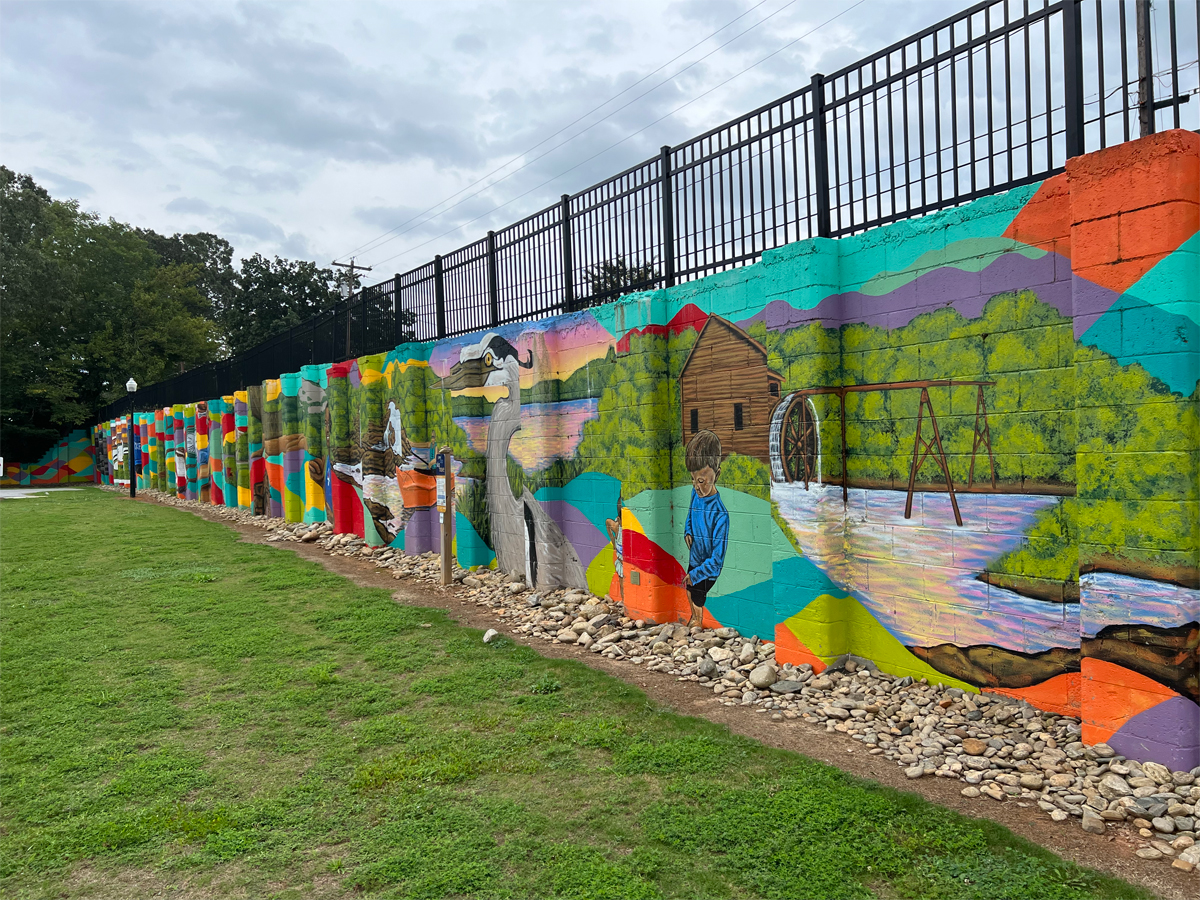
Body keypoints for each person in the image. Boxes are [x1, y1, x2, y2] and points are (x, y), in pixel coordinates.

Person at [683, 430, 729, 628]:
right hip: (695, 558)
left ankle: (698, 622)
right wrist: (688, 531)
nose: (696, 486)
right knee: (688, 589)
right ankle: (693, 617)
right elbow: (690, 515)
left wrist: (696, 574)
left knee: (697, 596)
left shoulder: (720, 514)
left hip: (708, 569)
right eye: (693, 480)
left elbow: (717, 561)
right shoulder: (696, 495)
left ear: (716, 474)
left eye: (701, 481)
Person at [605, 495, 625, 603]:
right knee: (623, 585)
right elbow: (608, 521)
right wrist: (613, 540)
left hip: (629, 564)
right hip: (622, 563)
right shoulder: (618, 527)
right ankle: (625, 602)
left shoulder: (631, 530)